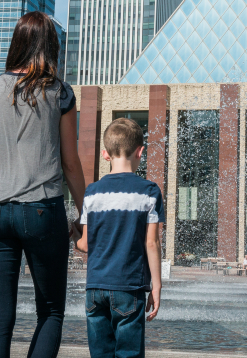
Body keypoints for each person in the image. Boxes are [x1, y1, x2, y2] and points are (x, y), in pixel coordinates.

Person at [0, 11, 86, 358]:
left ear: (17, 43)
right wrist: (85, 214)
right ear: (50, 46)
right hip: (43, 211)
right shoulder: (60, 94)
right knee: (50, 311)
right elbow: (70, 162)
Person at [76, 118, 165, 358]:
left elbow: (84, 244)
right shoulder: (149, 191)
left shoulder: (92, 192)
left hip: (95, 289)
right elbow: (152, 243)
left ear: (105, 154)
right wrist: (156, 286)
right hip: (128, 287)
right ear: (140, 152)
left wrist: (73, 236)